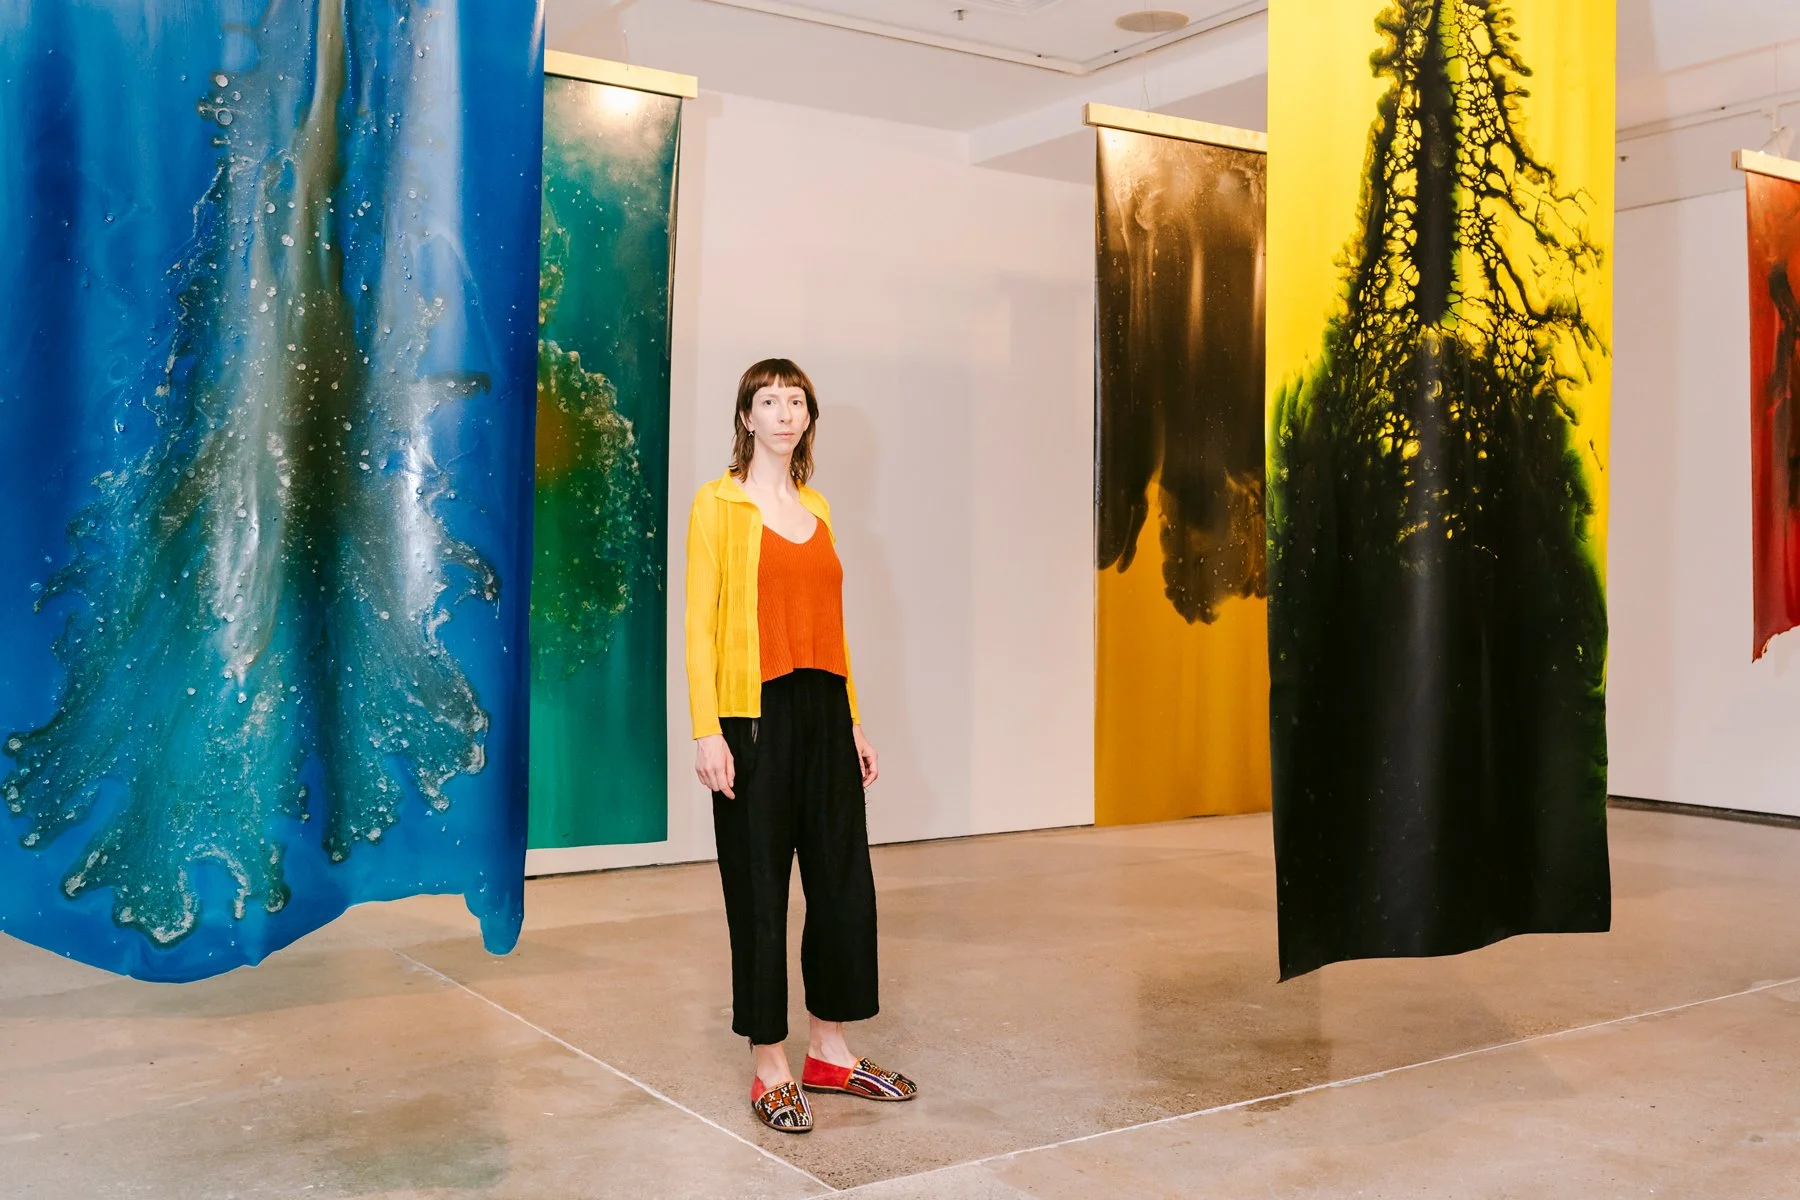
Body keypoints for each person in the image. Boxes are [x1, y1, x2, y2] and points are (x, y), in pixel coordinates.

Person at [685, 358, 919, 1134]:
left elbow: (832, 628)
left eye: (796, 401)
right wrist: (706, 729)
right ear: (746, 417)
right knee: (759, 894)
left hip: (824, 709)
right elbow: (698, 626)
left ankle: (831, 1052)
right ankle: (770, 1065)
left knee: (843, 885)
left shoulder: (817, 507)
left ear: (808, 417)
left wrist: (853, 719)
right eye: (769, 401)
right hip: (752, 716)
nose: (784, 413)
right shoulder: (717, 504)